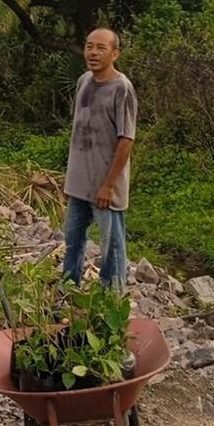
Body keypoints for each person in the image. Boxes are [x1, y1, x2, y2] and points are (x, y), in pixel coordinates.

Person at [62, 28, 137, 290]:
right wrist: (69, 179)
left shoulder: (122, 88)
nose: (93, 52)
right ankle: (69, 290)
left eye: (101, 48)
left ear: (115, 53)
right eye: (89, 46)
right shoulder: (83, 81)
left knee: (112, 247)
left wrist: (109, 185)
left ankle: (113, 298)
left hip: (106, 186)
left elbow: (126, 139)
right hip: (78, 183)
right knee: (72, 239)